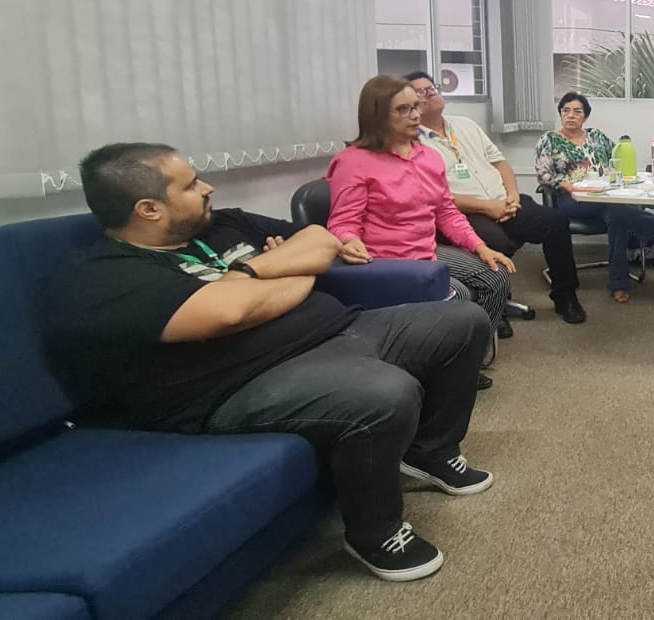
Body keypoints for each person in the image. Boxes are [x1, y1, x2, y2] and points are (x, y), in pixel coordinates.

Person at [45, 143, 492, 582]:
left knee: (462, 320)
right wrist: (289, 266)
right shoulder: (107, 277)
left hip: (340, 328)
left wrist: (252, 272)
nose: (208, 188)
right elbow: (231, 312)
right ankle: (375, 533)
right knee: (387, 392)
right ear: (149, 209)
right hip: (243, 384)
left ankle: (431, 451)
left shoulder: (225, 223)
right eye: (191, 184)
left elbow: (322, 239)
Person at [326, 76, 516, 390]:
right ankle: (436, 364)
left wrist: (480, 247)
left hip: (426, 251)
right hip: (386, 261)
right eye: (403, 109)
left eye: (416, 107)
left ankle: (463, 360)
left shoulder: (428, 157)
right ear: (377, 115)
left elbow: (446, 212)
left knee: (496, 277)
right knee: (459, 298)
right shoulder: (353, 162)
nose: (416, 115)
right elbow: (343, 222)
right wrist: (349, 240)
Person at [406, 72, 586, 325]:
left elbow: (500, 162)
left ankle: (565, 296)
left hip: (503, 199)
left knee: (555, 222)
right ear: (410, 104)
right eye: (421, 92)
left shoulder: (465, 124)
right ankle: (495, 304)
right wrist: (487, 207)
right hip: (465, 210)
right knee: (497, 242)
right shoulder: (412, 142)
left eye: (431, 87)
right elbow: (432, 197)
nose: (430, 93)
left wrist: (512, 195)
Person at [535, 91, 654, 304]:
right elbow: (543, 173)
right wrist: (565, 184)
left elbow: (617, 159)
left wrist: (619, 178)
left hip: (604, 195)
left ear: (585, 117)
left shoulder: (597, 137)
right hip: (572, 199)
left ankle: (619, 284)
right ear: (560, 114)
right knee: (616, 209)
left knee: (617, 217)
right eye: (566, 111)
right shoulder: (549, 140)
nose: (570, 115)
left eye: (577, 112)